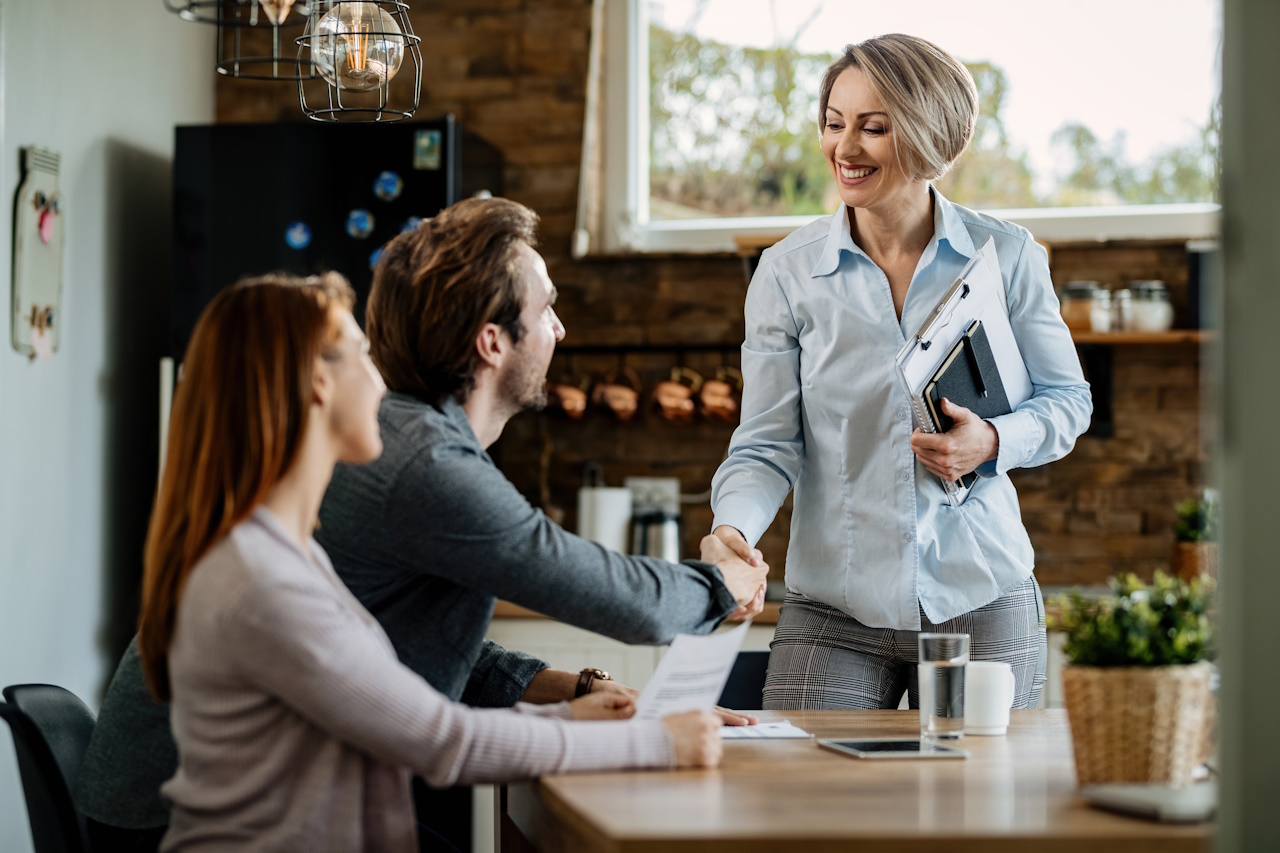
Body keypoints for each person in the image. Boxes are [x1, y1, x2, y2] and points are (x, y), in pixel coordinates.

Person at [75, 199, 768, 848]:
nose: (560, 327)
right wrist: (719, 584)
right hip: (177, 816)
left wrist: (576, 693)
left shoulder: (354, 491)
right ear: (493, 341)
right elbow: (602, 605)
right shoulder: (416, 461)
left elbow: (380, 657)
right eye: (548, 307)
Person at [709, 34, 1092, 711]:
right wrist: (734, 527)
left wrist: (993, 441)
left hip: (981, 595)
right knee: (808, 806)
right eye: (834, 123)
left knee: (980, 813)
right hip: (835, 608)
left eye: (873, 128)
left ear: (927, 134)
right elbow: (767, 443)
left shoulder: (1006, 255)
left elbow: (1067, 401)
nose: (844, 148)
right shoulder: (788, 274)